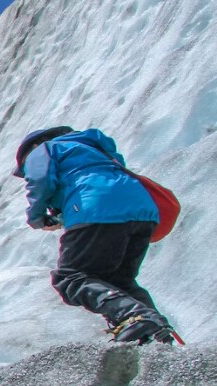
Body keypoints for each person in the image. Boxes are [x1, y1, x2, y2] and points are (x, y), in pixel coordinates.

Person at [13, 126, 174, 344]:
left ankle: (134, 318)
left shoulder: (44, 149)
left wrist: (37, 217)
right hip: (142, 210)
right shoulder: (93, 148)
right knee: (118, 280)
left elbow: (40, 181)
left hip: (96, 207)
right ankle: (156, 332)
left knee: (70, 278)